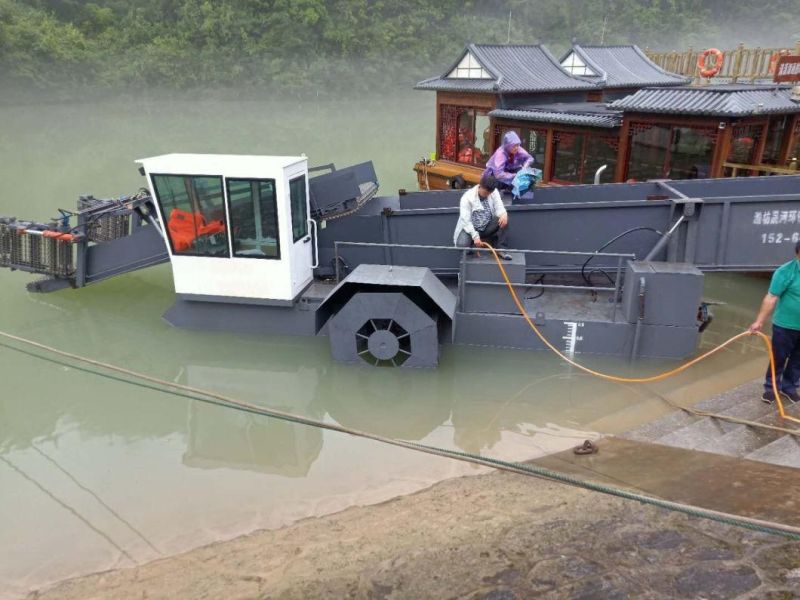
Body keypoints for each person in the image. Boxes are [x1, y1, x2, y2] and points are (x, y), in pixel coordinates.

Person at [749, 241, 800, 404]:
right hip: (785, 326)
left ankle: (789, 387)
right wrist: (759, 321)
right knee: (778, 357)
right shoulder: (785, 272)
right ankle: (771, 388)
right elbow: (771, 298)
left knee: (798, 359)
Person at [453, 174, 511, 259]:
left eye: (489, 193)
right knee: (462, 246)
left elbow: (499, 207)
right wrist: (475, 236)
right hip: (470, 229)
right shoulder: (467, 198)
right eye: (485, 192)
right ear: (480, 186)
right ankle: (472, 248)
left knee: (503, 219)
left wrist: (504, 214)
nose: (487, 195)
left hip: (486, 226)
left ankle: (500, 249)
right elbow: (466, 221)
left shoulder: (493, 192)